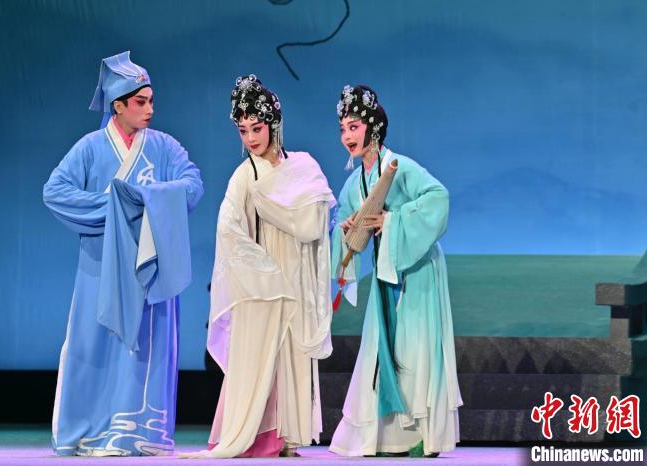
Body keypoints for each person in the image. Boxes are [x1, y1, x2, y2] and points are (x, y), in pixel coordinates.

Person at [43, 51, 203, 456]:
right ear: (118, 106)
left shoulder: (164, 147)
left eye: (151, 101)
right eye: (140, 102)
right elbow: (55, 192)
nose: (150, 109)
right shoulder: (90, 148)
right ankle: (89, 431)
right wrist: (113, 208)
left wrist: (146, 200)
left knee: (147, 346)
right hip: (100, 266)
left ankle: (141, 432)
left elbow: (192, 184)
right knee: (93, 344)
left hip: (151, 267)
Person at [182, 75, 334, 458]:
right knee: (258, 359)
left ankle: (287, 436)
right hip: (262, 283)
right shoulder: (244, 176)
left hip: (294, 278)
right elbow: (228, 230)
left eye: (257, 127)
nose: (250, 137)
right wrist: (262, 270)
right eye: (243, 130)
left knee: (290, 356)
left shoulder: (303, 166)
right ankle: (255, 436)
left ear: (273, 123)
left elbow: (315, 224)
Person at [328, 84, 461, 457]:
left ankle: (421, 435)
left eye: (354, 127)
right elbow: (343, 221)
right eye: (343, 129)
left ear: (373, 126)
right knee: (380, 349)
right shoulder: (355, 182)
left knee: (415, 348)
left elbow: (438, 198)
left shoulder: (400, 167)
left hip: (415, 271)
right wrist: (347, 229)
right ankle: (385, 437)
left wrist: (393, 220)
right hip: (384, 274)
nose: (347, 136)